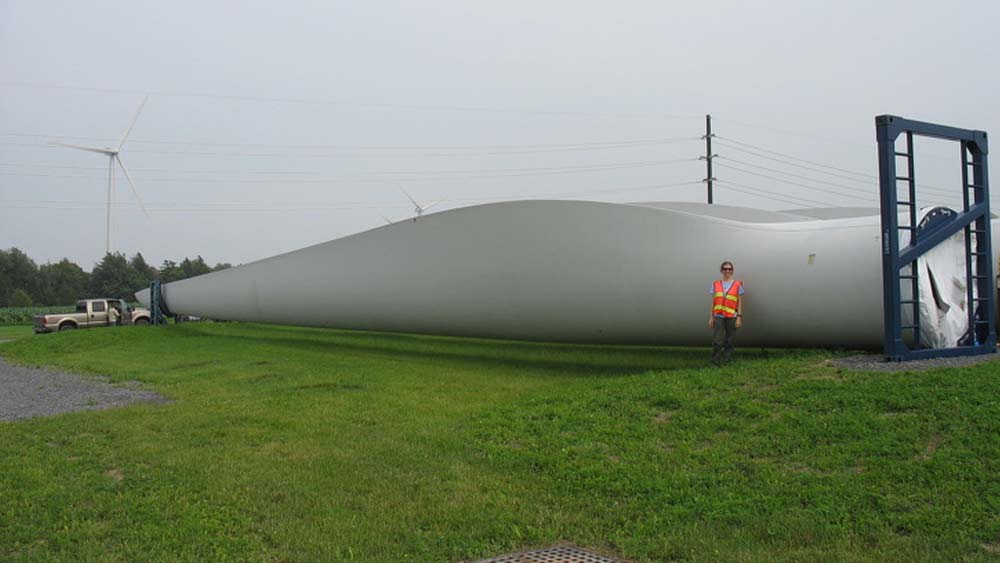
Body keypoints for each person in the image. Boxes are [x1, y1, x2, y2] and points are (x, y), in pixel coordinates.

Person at [708, 261, 744, 366]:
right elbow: (713, 302)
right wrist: (711, 317)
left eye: (729, 269)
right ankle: (715, 361)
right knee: (717, 340)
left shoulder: (737, 284)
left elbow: (740, 302)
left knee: (730, 340)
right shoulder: (716, 284)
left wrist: (739, 317)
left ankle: (727, 360)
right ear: (721, 270)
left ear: (732, 271)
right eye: (725, 269)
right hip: (718, 315)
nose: (727, 271)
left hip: (731, 316)